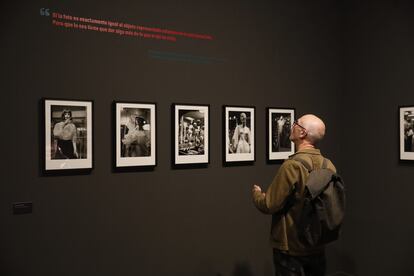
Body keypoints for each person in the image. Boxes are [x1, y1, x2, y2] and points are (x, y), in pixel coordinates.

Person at [252, 114, 337, 276]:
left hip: (290, 247)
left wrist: (257, 194)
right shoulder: (329, 165)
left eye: (295, 123)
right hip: (317, 244)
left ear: (302, 133)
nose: (292, 126)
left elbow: (270, 204)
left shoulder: (292, 166)